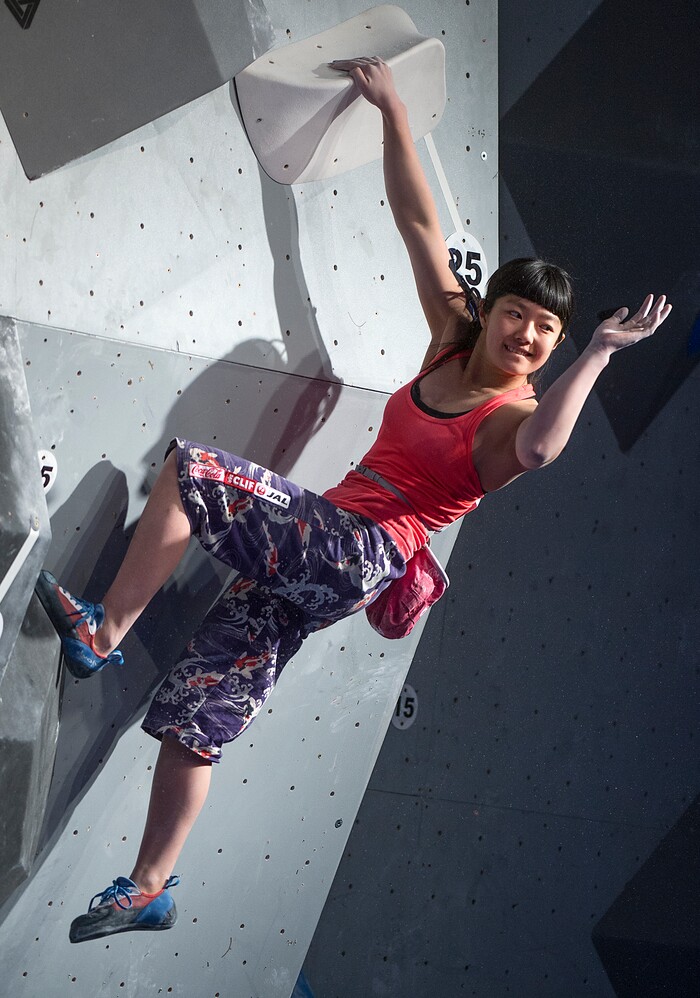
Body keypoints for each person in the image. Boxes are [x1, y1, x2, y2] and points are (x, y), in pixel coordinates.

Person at [35, 57, 672, 943]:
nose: (529, 335)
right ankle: (150, 887)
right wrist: (395, 113)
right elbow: (419, 220)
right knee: (197, 712)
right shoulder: (450, 341)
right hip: (325, 559)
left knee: (194, 473)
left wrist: (599, 352)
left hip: (361, 549)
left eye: (548, 330)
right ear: (489, 311)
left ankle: (102, 638)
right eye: (519, 314)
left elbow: (536, 450)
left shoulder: (513, 413)